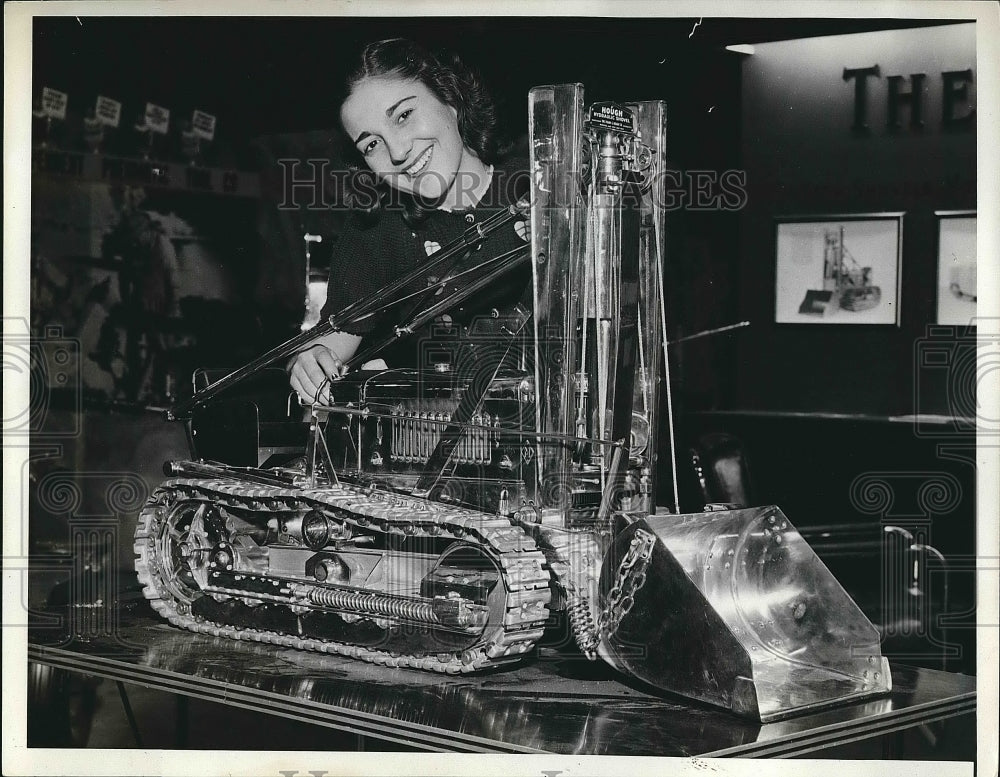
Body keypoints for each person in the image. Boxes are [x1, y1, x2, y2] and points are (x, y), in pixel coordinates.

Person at [287, 38, 531, 403]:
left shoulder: (540, 183)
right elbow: (327, 344)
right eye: (371, 144)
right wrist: (307, 362)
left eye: (403, 115)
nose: (398, 152)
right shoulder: (377, 231)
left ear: (450, 100)